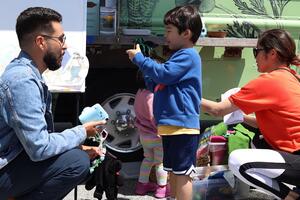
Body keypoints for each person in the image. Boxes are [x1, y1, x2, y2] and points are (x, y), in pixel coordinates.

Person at [0, 7, 106, 200]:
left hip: (13, 161)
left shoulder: (26, 74)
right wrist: (82, 132)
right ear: (41, 42)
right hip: (4, 170)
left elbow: (34, 141)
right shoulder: (22, 81)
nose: (64, 46)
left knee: (76, 155)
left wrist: (75, 145)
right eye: (61, 39)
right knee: (77, 162)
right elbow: (39, 147)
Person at [201, 29, 300, 200]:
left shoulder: (269, 81)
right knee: (257, 141)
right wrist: (242, 117)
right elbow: (277, 125)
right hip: (295, 155)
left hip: (296, 159)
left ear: (272, 53)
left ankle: (291, 196)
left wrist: (184, 93)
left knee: (238, 161)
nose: (255, 56)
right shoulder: (292, 77)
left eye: (256, 51)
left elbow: (217, 109)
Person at [127, 5, 202, 200]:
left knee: (183, 174)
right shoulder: (177, 56)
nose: (165, 35)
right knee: (174, 173)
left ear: (186, 33)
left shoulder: (188, 55)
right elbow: (158, 82)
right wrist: (146, 67)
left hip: (182, 127)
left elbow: (165, 74)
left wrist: (142, 61)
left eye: (169, 31)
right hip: (171, 126)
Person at [134, 70, 169, 198]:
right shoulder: (151, 95)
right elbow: (152, 116)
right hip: (156, 136)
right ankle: (162, 188)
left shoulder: (139, 93)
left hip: (144, 135)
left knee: (148, 159)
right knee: (160, 163)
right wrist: (161, 129)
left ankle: (142, 185)